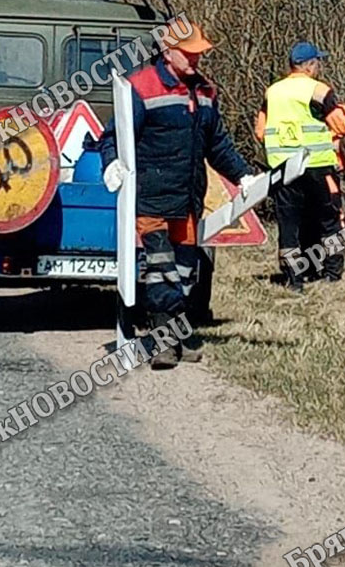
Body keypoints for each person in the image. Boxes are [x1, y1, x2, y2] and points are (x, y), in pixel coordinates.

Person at [99, 22, 255, 368]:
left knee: (185, 273)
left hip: (187, 200)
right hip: (152, 198)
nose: (196, 58)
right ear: (167, 53)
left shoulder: (206, 92)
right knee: (160, 269)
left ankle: (177, 333)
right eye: (189, 52)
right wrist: (112, 165)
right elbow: (113, 136)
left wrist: (242, 175)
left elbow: (218, 145)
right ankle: (162, 342)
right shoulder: (140, 88)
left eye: (199, 52)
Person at [254, 42, 345, 291]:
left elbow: (260, 131)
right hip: (317, 165)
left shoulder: (272, 92)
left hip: (283, 168)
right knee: (328, 220)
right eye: (317, 62)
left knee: (289, 223)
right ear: (309, 65)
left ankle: (294, 279)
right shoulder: (319, 90)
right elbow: (341, 126)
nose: (319, 66)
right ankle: (331, 274)